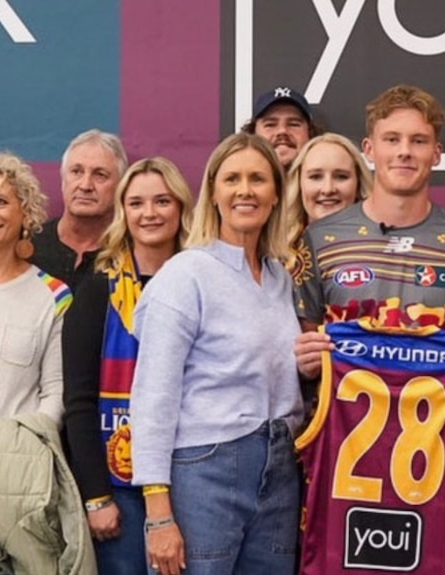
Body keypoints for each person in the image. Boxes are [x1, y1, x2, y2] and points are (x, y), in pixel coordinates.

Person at [292, 84, 445, 575]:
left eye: (417, 140)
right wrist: (304, 357)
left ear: (437, 152)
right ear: (370, 149)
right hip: (342, 472)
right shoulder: (321, 241)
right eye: (391, 139)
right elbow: (305, 355)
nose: (404, 152)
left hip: (431, 471)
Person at [130, 133, 303, 575]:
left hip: (280, 467)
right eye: (232, 179)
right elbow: (153, 397)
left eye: (258, 179)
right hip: (205, 470)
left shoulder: (281, 278)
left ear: (277, 193)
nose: (245, 190)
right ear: (214, 192)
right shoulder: (185, 275)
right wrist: (159, 512)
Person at [0, 152, 82, 573]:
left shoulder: (54, 295)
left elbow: (57, 391)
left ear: (26, 211)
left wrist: (16, 455)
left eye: (1, 201)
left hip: (21, 495)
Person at [62, 157, 195, 574]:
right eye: (137, 203)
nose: (149, 213)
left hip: (194, 475)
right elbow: (79, 401)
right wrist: (96, 496)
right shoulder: (98, 288)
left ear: (181, 208)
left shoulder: (202, 282)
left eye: (162, 201)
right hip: (120, 486)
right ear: (123, 211)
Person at [31, 129, 128, 290]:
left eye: (100, 175)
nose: (85, 185)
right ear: (63, 180)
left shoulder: (132, 254)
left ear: (121, 186)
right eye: (76, 172)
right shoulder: (28, 246)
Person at [283, 132, 372, 274]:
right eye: (316, 177)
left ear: (358, 184)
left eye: (341, 177)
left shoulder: (380, 249)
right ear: (299, 183)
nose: (328, 189)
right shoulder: (273, 254)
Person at [240, 86, 323, 169]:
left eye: (294, 124)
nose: (282, 131)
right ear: (253, 133)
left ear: (311, 133)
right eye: (270, 124)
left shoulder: (328, 181)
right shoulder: (239, 181)